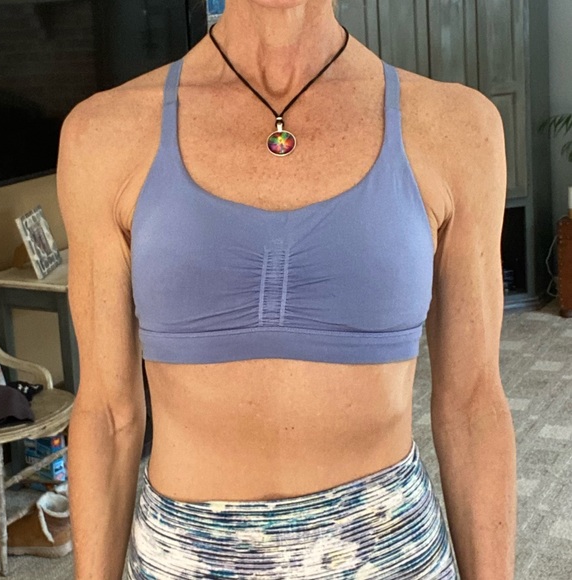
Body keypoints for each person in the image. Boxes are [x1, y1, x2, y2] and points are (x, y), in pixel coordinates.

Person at [56, 0, 517, 577]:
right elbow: (107, 414)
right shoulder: (103, 135)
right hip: (186, 559)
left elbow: (473, 406)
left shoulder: (458, 128)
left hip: (390, 554)